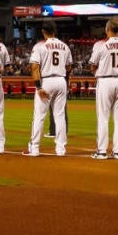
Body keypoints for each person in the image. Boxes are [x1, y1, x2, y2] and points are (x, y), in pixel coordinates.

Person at [23, 20, 72, 157]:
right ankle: (61, 149)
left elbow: (34, 67)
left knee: (39, 116)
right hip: (61, 80)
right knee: (60, 115)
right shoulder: (64, 46)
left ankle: (34, 148)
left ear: (43, 31)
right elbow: (69, 68)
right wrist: (66, 84)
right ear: (55, 31)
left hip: (46, 81)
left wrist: (38, 87)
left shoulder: (40, 46)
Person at [90, 17, 118, 160]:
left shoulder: (101, 45)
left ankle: (102, 151)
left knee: (103, 117)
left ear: (107, 29)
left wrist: (100, 71)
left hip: (105, 81)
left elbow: (92, 65)